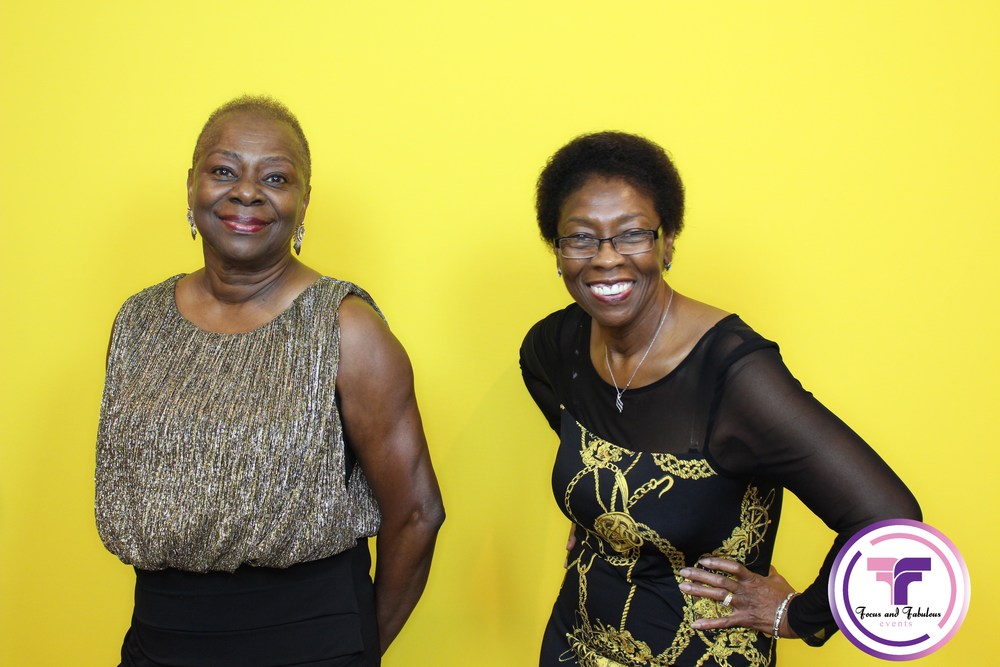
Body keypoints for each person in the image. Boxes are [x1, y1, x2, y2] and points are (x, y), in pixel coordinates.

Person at [519, 131, 920, 666]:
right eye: (581, 238)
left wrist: (798, 616)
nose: (606, 258)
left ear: (668, 243)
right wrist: (597, 497)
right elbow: (559, 404)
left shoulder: (736, 376)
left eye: (632, 234)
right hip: (575, 645)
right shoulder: (559, 343)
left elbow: (889, 520)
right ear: (557, 250)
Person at [95, 96, 444, 667]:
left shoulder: (346, 328)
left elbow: (418, 512)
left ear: (304, 201)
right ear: (191, 185)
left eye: (275, 178)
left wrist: (359, 650)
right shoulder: (138, 321)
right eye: (223, 171)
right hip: (160, 637)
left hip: (310, 641)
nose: (247, 192)